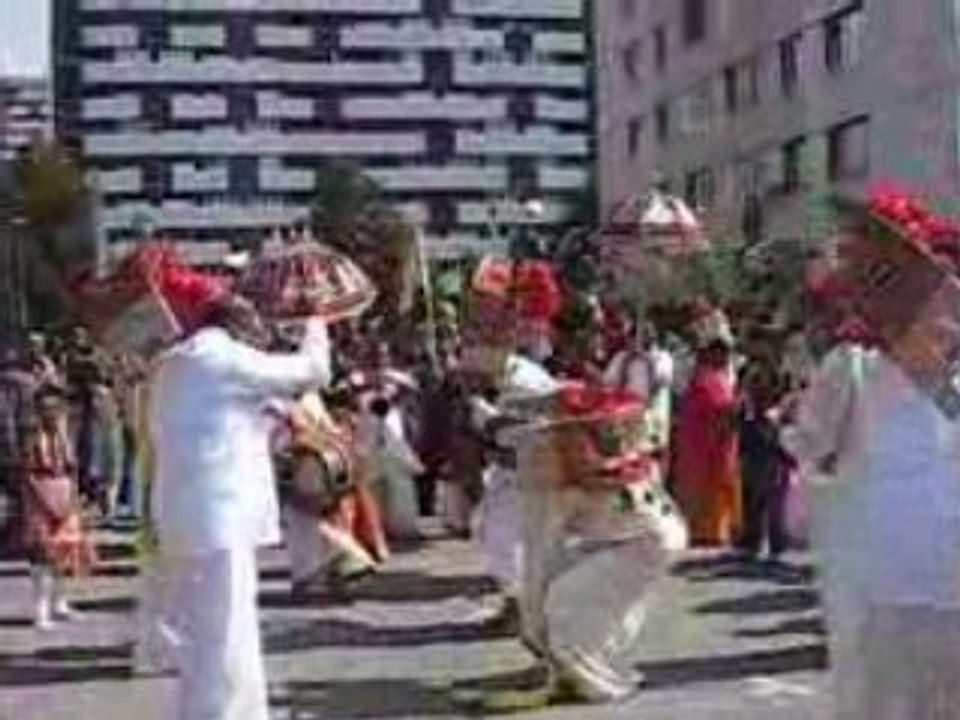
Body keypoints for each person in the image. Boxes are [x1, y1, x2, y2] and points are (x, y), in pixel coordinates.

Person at [149, 296, 332, 720]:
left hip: (181, 515)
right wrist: (316, 324)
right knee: (228, 631)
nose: (258, 339)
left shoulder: (174, 364)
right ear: (235, 327)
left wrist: (263, 414)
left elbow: (213, 427)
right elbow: (312, 371)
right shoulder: (224, 357)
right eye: (253, 329)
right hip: (220, 518)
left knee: (200, 633)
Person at [275, 391, 380, 601]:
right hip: (305, 470)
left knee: (310, 529)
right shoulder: (290, 401)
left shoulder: (303, 401)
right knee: (308, 528)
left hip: (312, 469)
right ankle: (322, 574)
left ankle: (321, 575)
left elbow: (309, 432)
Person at [20, 384, 96, 630]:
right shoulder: (31, 436)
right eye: (46, 408)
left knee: (65, 555)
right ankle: (40, 610)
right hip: (40, 493)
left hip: (64, 490)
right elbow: (27, 472)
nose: (52, 413)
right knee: (41, 558)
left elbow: (73, 468)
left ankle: (60, 602)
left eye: (56, 408)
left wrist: (75, 499)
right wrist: (40, 500)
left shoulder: (66, 434)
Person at [671, 337, 742, 547]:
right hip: (705, 446)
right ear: (713, 354)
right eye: (723, 354)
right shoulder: (704, 380)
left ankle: (715, 531)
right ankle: (706, 532)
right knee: (705, 489)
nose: (727, 359)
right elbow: (718, 409)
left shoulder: (717, 378)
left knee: (715, 490)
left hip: (715, 445)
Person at [603, 323, 675, 452]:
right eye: (631, 338)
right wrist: (626, 363)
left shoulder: (663, 357)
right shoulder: (621, 356)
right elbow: (609, 383)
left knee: (648, 454)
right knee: (625, 452)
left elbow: (661, 382)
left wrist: (648, 360)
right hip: (624, 416)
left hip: (651, 416)